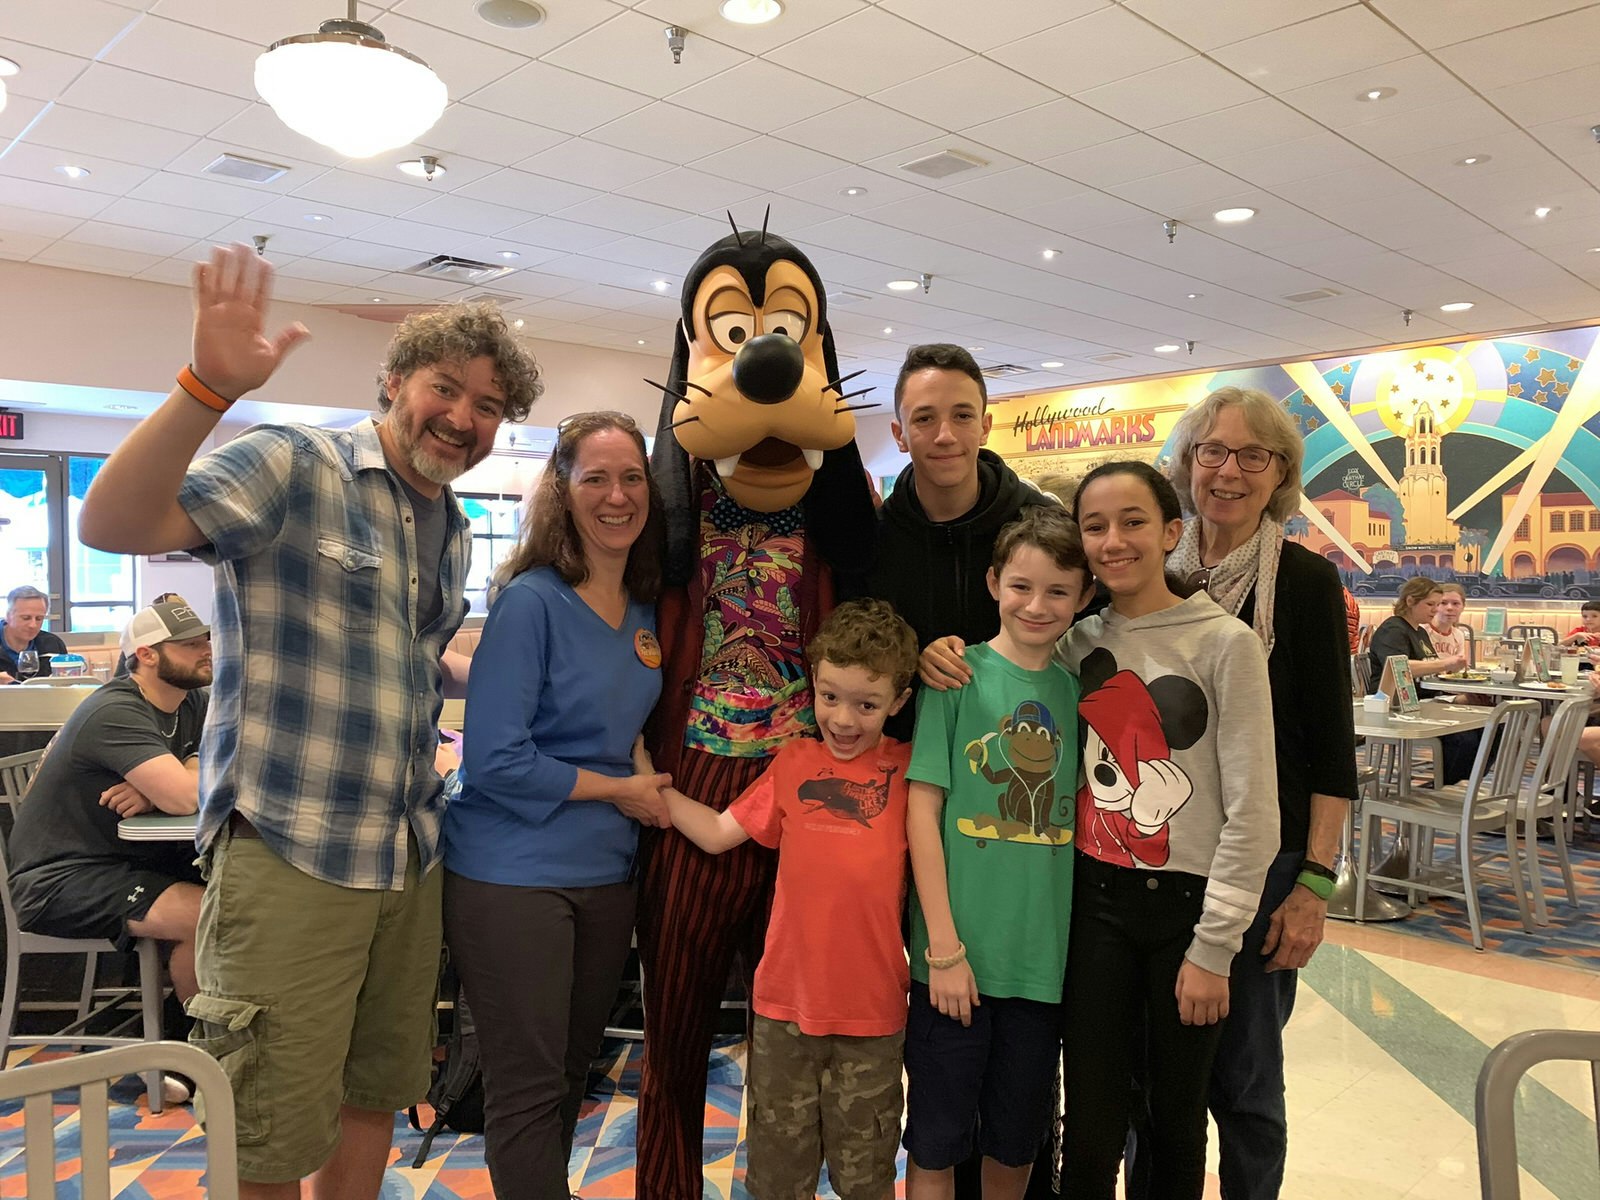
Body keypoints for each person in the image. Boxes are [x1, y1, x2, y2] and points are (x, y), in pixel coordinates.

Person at [77, 243, 544, 1200]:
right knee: (267, 1126)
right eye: (446, 389)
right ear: (395, 380)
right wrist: (206, 385)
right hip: (290, 853)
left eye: (489, 407)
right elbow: (111, 524)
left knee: (373, 1094)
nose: (462, 419)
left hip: (407, 856)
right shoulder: (297, 462)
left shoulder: (451, 524)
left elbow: (410, 668)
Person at [441, 411, 670, 1199]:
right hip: (513, 874)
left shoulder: (648, 609)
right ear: (562, 493)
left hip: (607, 870)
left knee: (574, 1071)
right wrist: (623, 789)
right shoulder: (530, 602)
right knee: (530, 1083)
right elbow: (497, 759)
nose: (617, 496)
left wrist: (638, 771)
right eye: (595, 478)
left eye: (632, 477)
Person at [1050, 462, 1277, 1198]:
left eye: (1133, 522)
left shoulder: (1224, 643)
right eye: (1094, 526)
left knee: (1175, 1123)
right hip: (1094, 904)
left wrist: (1215, 948)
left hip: (1186, 912)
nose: (1113, 541)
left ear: (1172, 532)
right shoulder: (1076, 642)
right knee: (1088, 1126)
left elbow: (1254, 811)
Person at [644, 599, 918, 1200]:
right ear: (813, 686)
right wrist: (651, 789)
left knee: (865, 1177)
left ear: (898, 701)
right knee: (776, 1177)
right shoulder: (795, 762)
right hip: (783, 1011)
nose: (843, 719)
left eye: (867, 705)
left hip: (872, 1016)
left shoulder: (910, 773)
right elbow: (719, 833)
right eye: (830, 697)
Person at [1161, 386, 1357, 1200]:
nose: (1229, 471)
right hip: (1160, 854)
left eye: (1253, 455)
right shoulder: (1152, 577)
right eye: (1212, 451)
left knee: (1244, 1079)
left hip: (1265, 863)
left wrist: (1314, 883)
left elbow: (1330, 750)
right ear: (1187, 463)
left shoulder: (1304, 583)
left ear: (1280, 472)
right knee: (1155, 1078)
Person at [904, 505, 1090, 1200]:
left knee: (1015, 1143)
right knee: (936, 1141)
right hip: (952, 963)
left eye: (1057, 592)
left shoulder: (1079, 695)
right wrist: (944, 949)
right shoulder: (955, 678)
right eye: (1021, 586)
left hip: (1041, 970)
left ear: (1084, 598)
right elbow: (923, 808)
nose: (1036, 606)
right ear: (993, 583)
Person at [8, 602, 211, 1003]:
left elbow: (221, 764)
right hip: (61, 879)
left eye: (206, 640)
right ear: (146, 655)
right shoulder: (116, 710)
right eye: (189, 644)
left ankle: (178, 1042)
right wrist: (171, 788)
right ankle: (197, 1059)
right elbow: (187, 795)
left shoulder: (190, 701)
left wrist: (163, 786)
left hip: (129, 862)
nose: (206, 650)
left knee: (241, 895)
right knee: (212, 917)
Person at [865, 343, 1054, 742]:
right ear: (899, 434)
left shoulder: (1040, 526)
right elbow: (855, 645)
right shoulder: (874, 539)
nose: (945, 435)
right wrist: (911, 658)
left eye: (962, 416)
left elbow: (1086, 624)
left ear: (984, 426)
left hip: (1025, 749)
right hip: (907, 756)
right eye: (925, 419)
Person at [1367, 578, 1480, 783]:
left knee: (1492, 727)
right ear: (1410, 601)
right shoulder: (1394, 630)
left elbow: (1428, 665)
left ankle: (1457, 784)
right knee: (1467, 737)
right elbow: (1399, 667)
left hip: (1423, 699)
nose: (1435, 610)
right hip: (1396, 704)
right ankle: (1446, 786)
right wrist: (1445, 664)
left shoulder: (1418, 631)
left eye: (1437, 605)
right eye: (1430, 604)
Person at [0, 585, 67, 682]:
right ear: (8, 616)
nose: (33, 625)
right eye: (26, 618)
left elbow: (64, 684)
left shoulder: (53, 644)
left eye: (39, 619)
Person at [1428, 582, 1469, 662]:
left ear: (1463, 607)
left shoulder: (1458, 635)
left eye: (1455, 603)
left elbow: (1458, 666)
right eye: (1443, 603)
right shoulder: (1421, 631)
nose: (1449, 608)